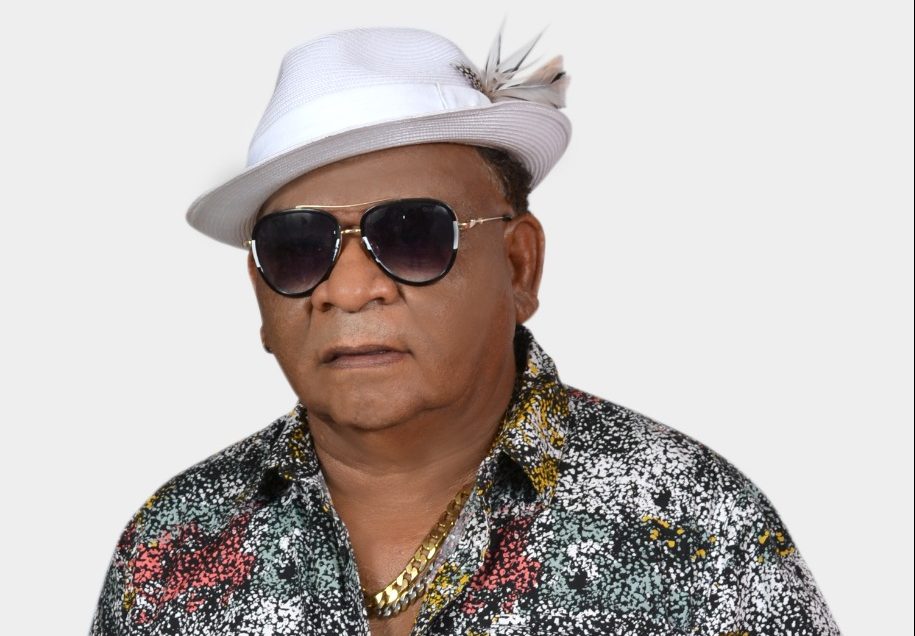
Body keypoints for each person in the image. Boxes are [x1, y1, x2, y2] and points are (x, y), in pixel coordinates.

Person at [89, 25, 841, 636]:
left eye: (411, 234)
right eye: (296, 248)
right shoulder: (171, 545)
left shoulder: (690, 521)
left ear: (518, 265)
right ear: (261, 293)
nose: (348, 289)